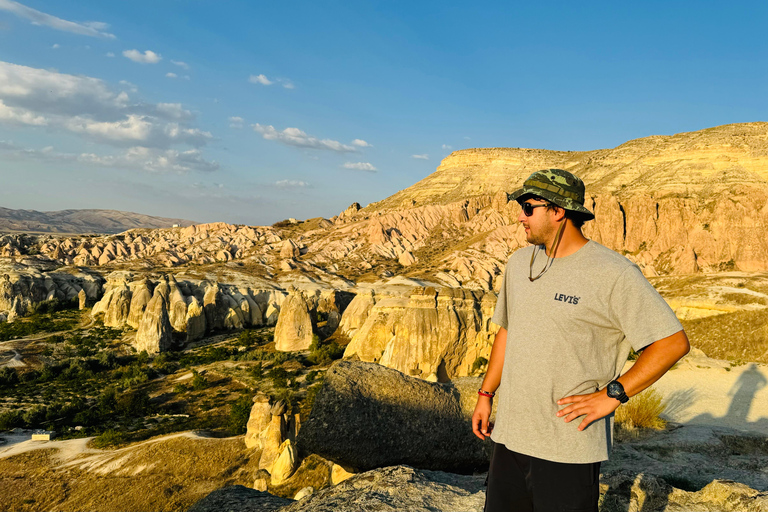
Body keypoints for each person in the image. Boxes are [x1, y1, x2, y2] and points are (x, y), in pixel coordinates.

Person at [472, 168, 690, 512]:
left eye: (528, 207)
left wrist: (613, 395)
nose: (520, 217)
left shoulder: (613, 273)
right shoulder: (518, 263)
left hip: (568, 448)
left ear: (558, 211)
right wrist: (486, 394)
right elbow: (507, 331)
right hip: (509, 440)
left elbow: (672, 343)